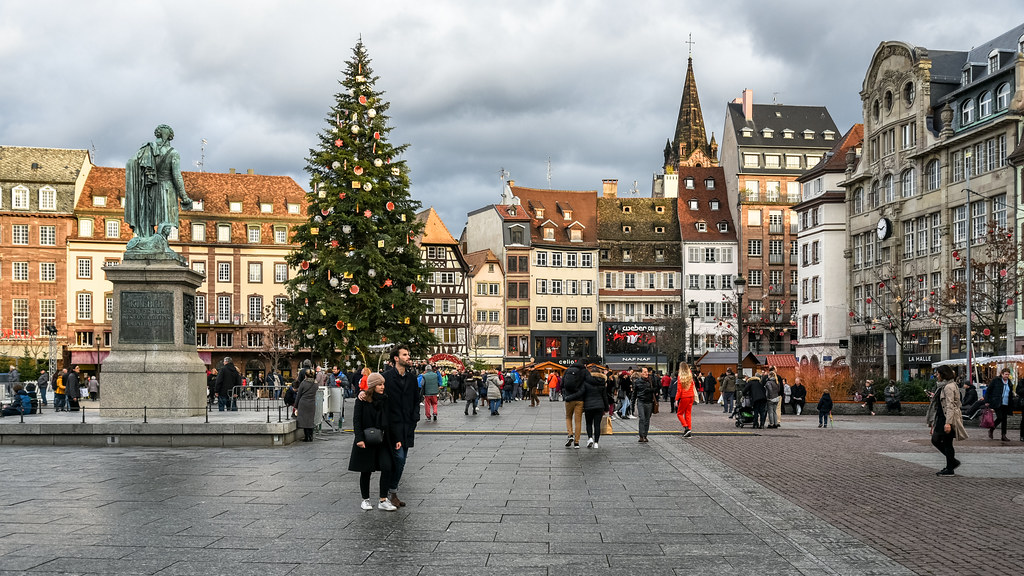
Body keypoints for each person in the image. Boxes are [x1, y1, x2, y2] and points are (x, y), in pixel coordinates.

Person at [124, 124, 193, 241]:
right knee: (166, 219)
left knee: (150, 216)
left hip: (152, 189)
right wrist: (184, 197)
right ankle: (161, 243)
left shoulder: (148, 149)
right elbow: (177, 176)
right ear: (170, 137)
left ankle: (151, 240)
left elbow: (132, 162)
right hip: (167, 189)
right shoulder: (173, 153)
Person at [348, 372, 398, 511]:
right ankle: (365, 499)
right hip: (366, 439)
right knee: (366, 470)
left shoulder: (386, 399)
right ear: (372, 386)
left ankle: (383, 499)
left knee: (387, 466)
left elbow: (391, 420)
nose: (382, 387)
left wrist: (396, 438)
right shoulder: (362, 399)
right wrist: (359, 438)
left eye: (383, 384)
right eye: (379, 384)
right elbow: (356, 420)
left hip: (383, 438)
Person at [382, 344, 421, 508]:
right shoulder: (386, 377)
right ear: (396, 358)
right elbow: (376, 393)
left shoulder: (412, 378)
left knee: (402, 459)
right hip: (392, 425)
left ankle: (391, 491)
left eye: (408, 355)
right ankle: (391, 492)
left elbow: (415, 399)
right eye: (405, 355)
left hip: (407, 424)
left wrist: (415, 418)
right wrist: (363, 394)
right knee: (399, 458)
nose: (408, 357)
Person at [927, 365, 967, 476]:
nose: (936, 376)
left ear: (943, 374)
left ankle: (951, 466)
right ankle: (951, 464)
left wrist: (948, 423)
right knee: (942, 441)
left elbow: (950, 405)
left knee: (943, 441)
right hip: (942, 417)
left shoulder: (948, 387)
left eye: (938, 373)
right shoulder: (944, 386)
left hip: (946, 418)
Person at [561, 360, 588, 448]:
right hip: (579, 399)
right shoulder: (584, 371)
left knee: (568, 417)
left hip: (569, 398)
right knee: (578, 420)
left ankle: (570, 434)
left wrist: (565, 395)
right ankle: (577, 442)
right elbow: (587, 384)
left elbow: (562, 384)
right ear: (584, 364)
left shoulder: (568, 370)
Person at [985, 368, 1015, 442]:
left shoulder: (1009, 382)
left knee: (1004, 419)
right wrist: (987, 400)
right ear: (1002, 374)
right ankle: (991, 429)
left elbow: (1010, 393)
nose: (1007, 376)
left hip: (1006, 403)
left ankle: (1003, 435)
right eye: (1005, 374)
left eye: (1008, 374)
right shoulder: (996, 381)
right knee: (1000, 417)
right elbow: (989, 390)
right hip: (997, 402)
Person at [583, 368, 610, 448]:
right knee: (597, 424)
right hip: (599, 405)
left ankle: (590, 438)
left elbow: (583, 394)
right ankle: (596, 443)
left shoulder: (586, 381)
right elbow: (605, 396)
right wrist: (606, 408)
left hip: (588, 405)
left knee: (588, 423)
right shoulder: (602, 382)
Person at [294, 360, 318, 442]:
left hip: (303, 403)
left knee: (304, 421)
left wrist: (295, 405)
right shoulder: (315, 384)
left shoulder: (303, 383)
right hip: (311, 403)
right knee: (310, 420)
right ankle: (311, 436)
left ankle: (306, 437)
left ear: (306, 376)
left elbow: (299, 395)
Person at [631, 367, 656, 443]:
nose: (646, 373)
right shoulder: (637, 382)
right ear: (641, 373)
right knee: (642, 418)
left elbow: (657, 388)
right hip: (641, 401)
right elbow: (634, 392)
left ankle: (645, 435)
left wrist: (650, 390)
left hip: (649, 402)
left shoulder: (651, 380)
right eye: (644, 372)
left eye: (647, 372)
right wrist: (632, 403)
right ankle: (641, 436)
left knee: (647, 419)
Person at [675, 366, 696, 438]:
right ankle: (689, 430)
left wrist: (676, 399)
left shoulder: (680, 377)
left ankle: (686, 427)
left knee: (679, 413)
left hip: (684, 397)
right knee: (688, 413)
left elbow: (679, 390)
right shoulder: (690, 376)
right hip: (691, 396)